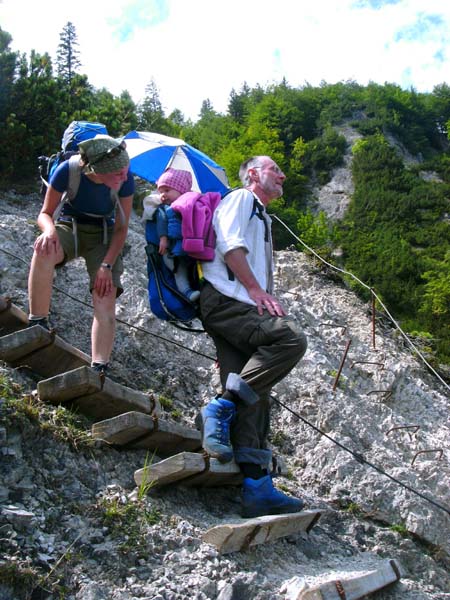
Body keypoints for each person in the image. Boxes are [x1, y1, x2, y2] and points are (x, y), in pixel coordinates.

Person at [199, 156, 308, 518]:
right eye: (274, 168)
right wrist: (257, 292)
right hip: (230, 302)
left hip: (233, 311)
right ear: (252, 175)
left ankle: (257, 487)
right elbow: (230, 246)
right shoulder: (242, 200)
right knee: (290, 339)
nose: (283, 174)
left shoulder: (263, 217)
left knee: (254, 390)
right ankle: (218, 407)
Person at [27, 135, 135, 375]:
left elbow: (121, 229)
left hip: (104, 236)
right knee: (44, 250)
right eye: (118, 173)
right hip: (69, 226)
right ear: (97, 170)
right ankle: (37, 323)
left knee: (104, 291)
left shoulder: (125, 179)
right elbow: (45, 213)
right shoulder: (69, 170)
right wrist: (50, 231)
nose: (124, 177)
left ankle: (99, 368)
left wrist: (106, 266)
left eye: (125, 170)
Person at [155, 168, 200, 302]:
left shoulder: (191, 204)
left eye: (167, 190)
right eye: (161, 191)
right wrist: (163, 238)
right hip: (172, 250)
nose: (163, 195)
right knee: (179, 271)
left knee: (194, 269)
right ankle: (187, 293)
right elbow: (161, 222)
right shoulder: (164, 209)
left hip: (189, 248)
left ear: (181, 190)